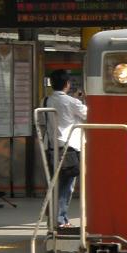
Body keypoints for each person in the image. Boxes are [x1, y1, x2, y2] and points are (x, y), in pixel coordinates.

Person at [45, 70, 87, 228]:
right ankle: (60, 218)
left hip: (52, 146)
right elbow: (87, 114)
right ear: (67, 84)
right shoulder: (72, 102)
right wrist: (80, 99)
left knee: (56, 183)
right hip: (70, 147)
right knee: (67, 185)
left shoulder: (47, 100)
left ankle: (55, 216)